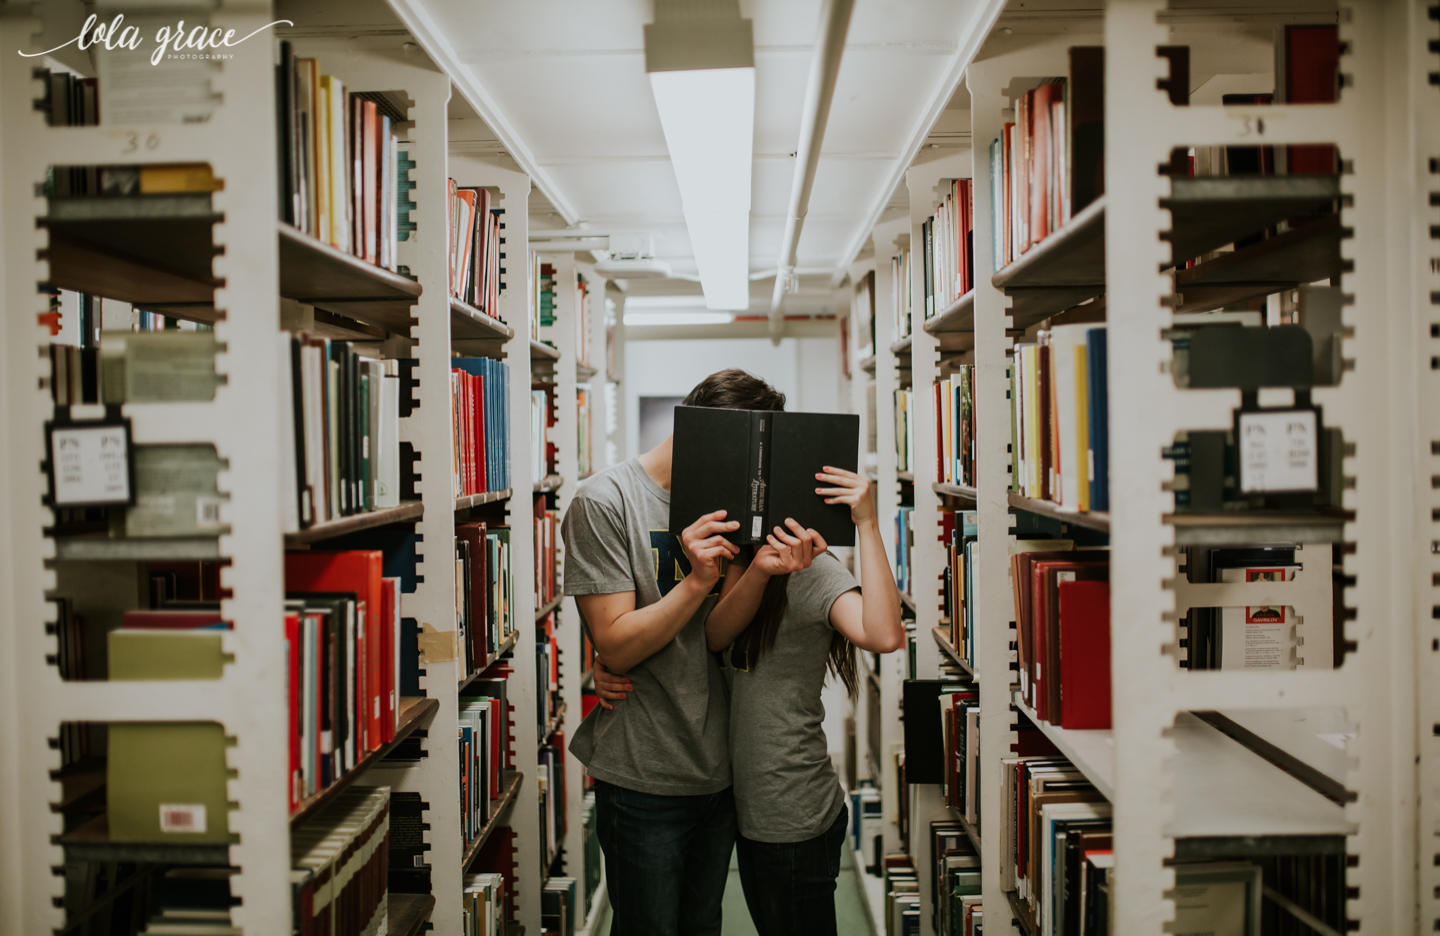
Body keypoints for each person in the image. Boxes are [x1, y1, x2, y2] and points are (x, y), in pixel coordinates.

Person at [593, 397, 905, 936]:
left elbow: (883, 634)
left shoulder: (813, 570)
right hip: (739, 800)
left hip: (790, 807)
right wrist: (612, 661)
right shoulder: (739, 561)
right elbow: (715, 636)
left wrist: (869, 523)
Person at [562, 368, 786, 936]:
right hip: (645, 773)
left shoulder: (738, 506)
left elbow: (723, 636)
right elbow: (613, 641)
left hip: (722, 767)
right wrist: (693, 583)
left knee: (702, 925)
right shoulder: (605, 501)